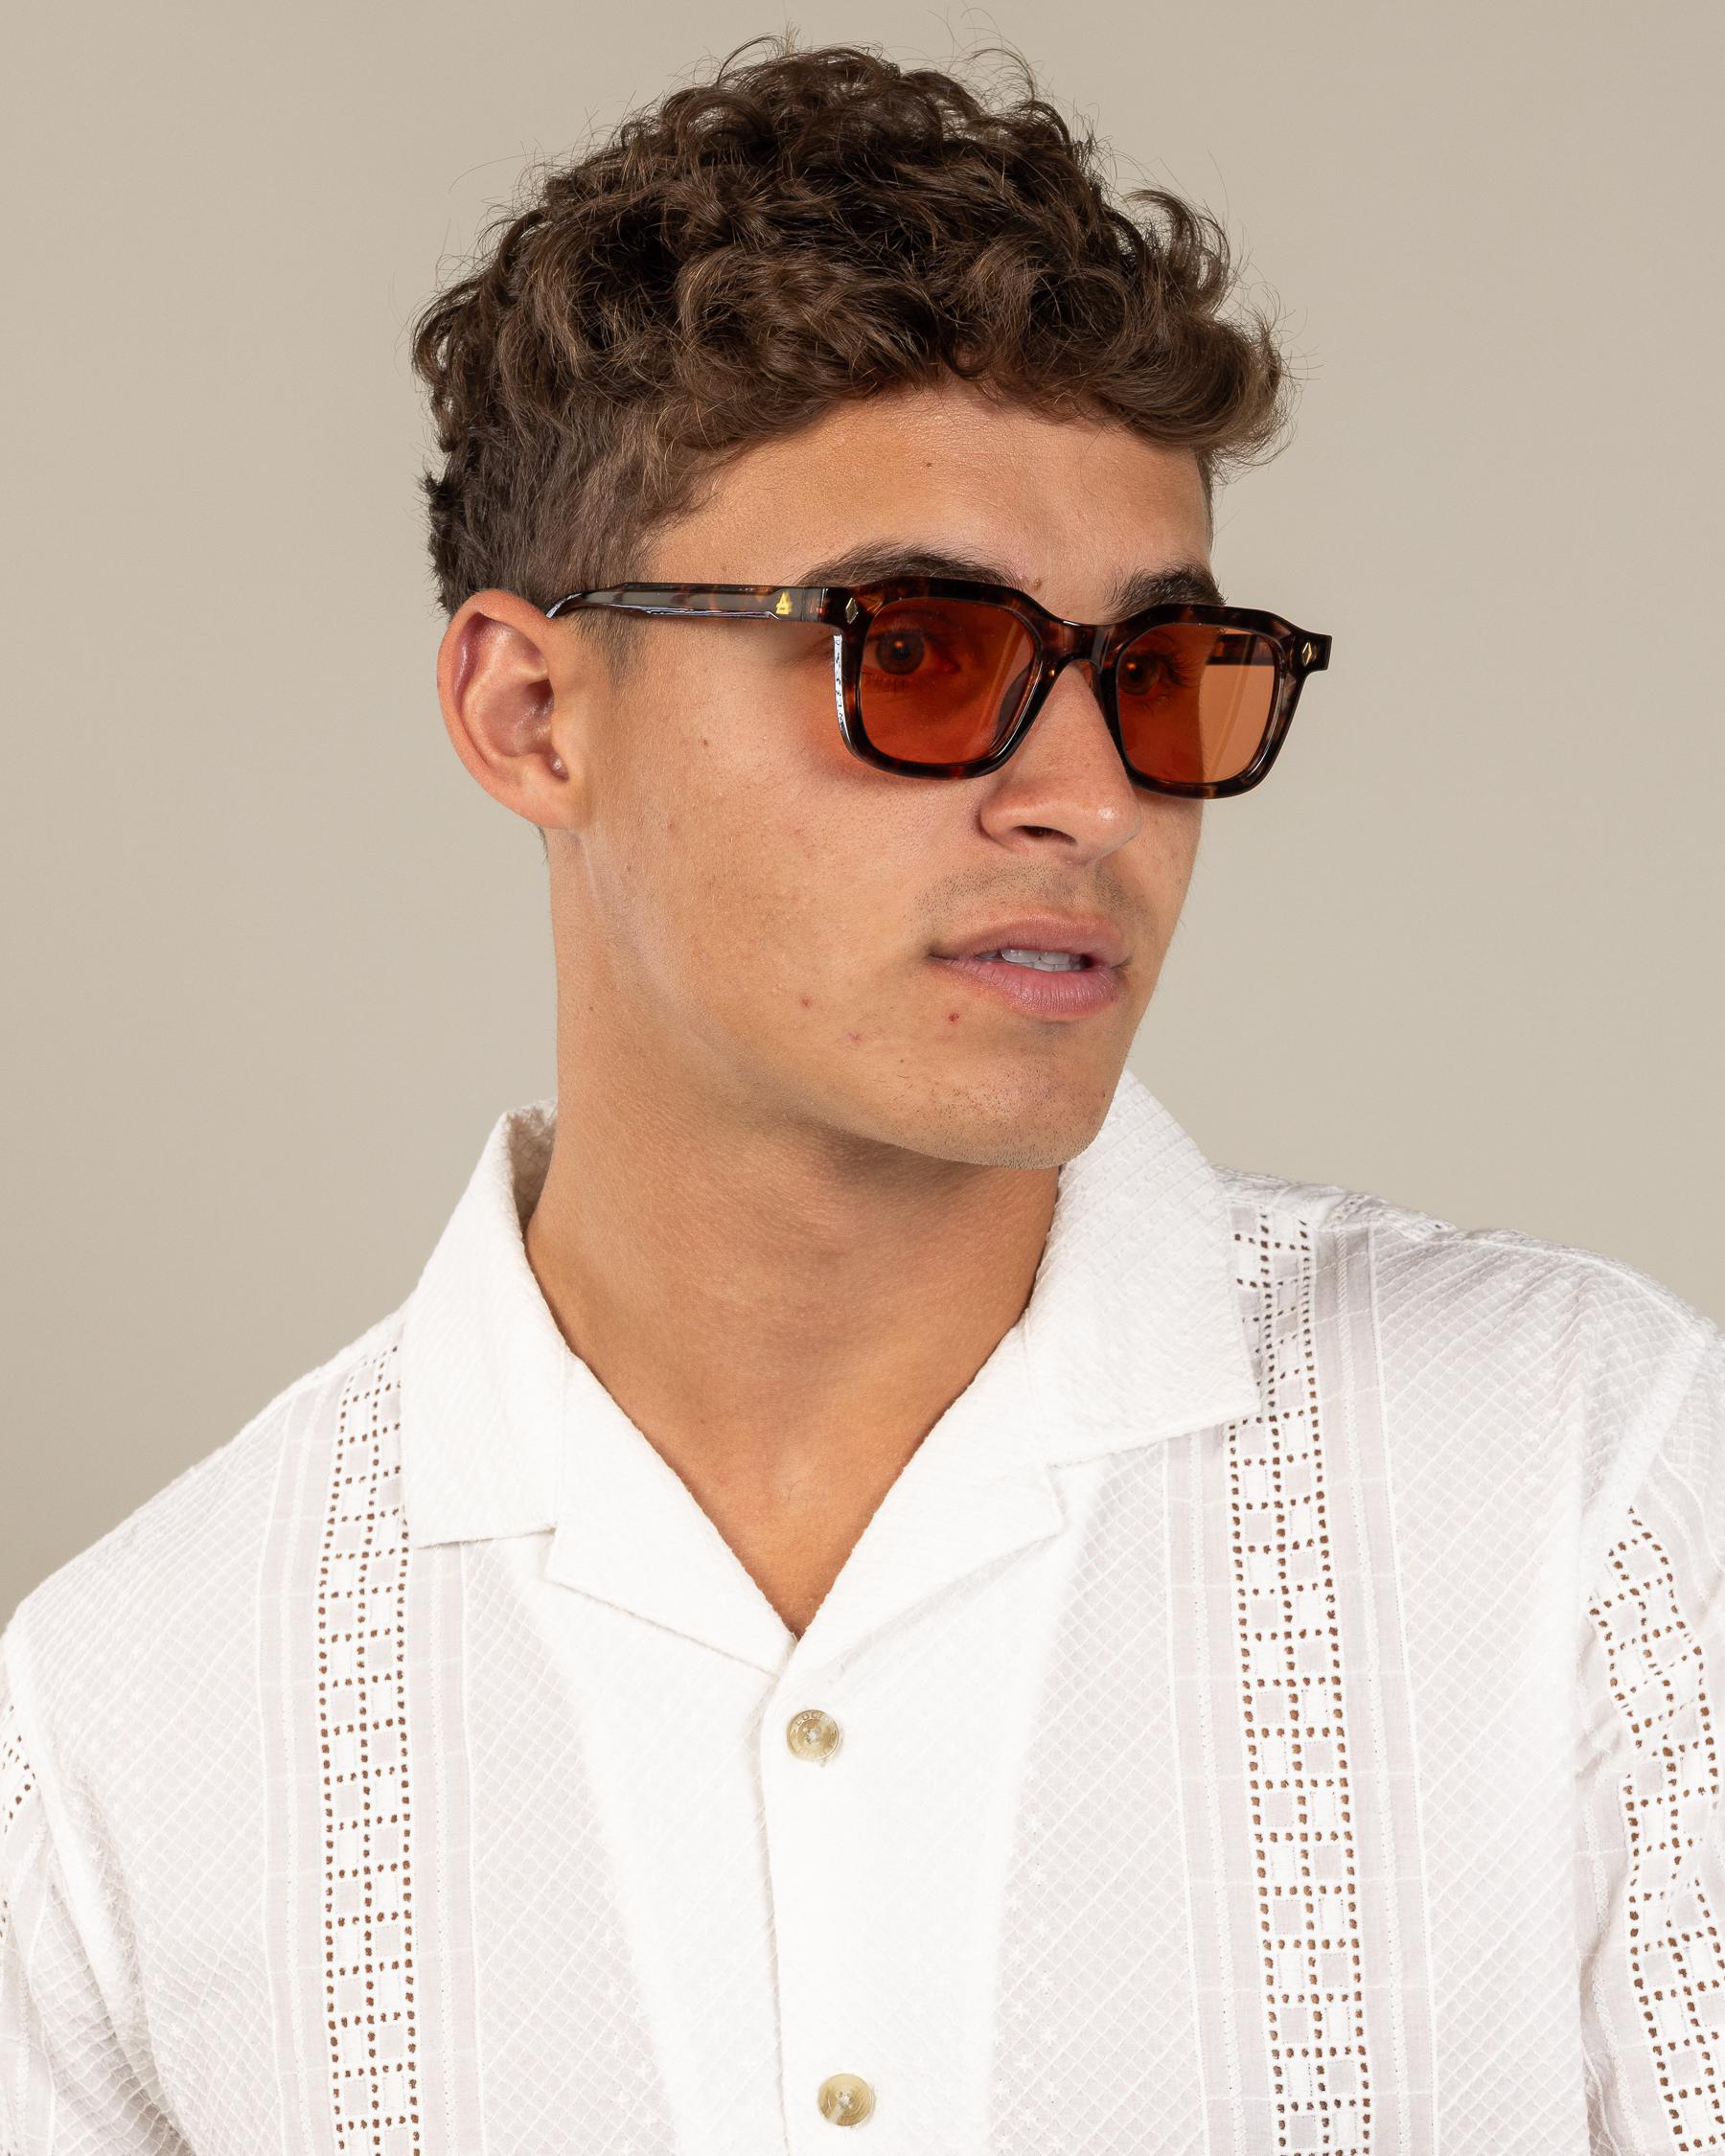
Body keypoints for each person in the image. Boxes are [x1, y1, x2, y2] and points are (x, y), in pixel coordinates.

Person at [2, 33, 1718, 2156]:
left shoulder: (1586, 1501)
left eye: (1159, 677)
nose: (1089, 798)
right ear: (533, 713)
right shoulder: (135, 1723)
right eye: (914, 652)